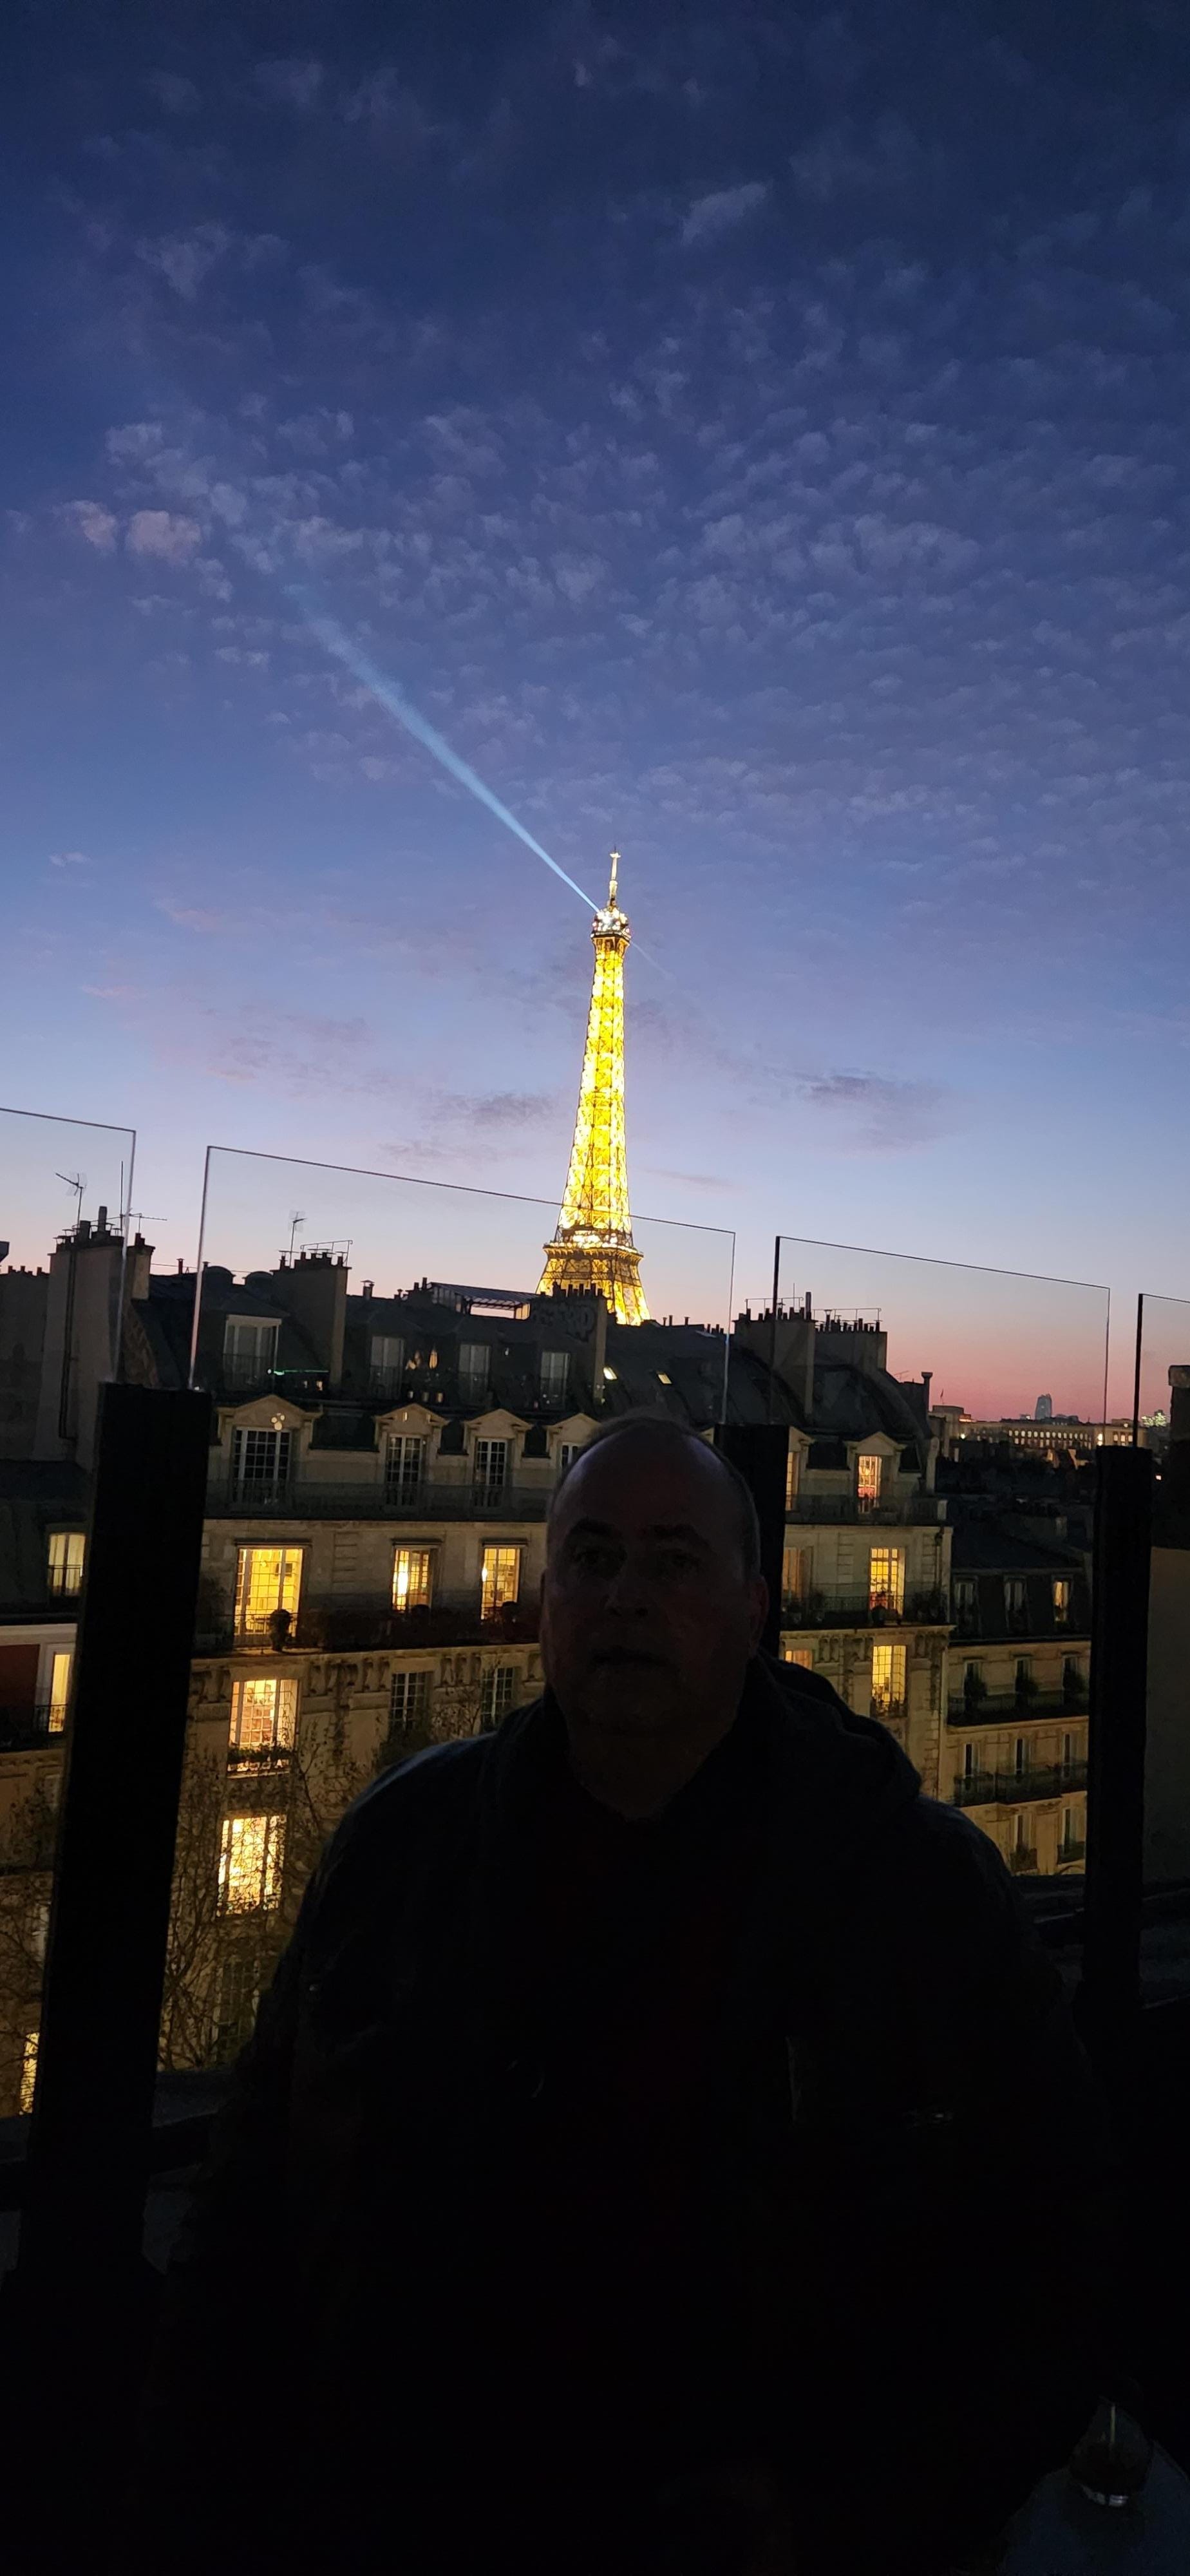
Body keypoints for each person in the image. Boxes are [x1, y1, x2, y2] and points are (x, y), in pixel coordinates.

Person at [136, 1415, 1113, 2576]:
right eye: (591, 1559)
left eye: (673, 1560)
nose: (625, 1597)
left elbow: (1059, 2259)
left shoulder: (922, 1893)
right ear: (546, 1600)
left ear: (753, 1612)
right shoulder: (399, 1846)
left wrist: (842, 2513)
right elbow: (245, 2221)